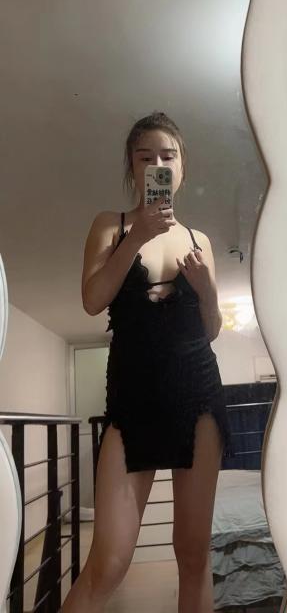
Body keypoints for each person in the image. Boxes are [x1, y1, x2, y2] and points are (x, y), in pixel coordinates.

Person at [62, 112, 234, 613]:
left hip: (198, 395)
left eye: (168, 155)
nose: (158, 163)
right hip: (132, 401)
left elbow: (211, 329)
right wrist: (135, 238)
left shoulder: (200, 241)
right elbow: (93, 299)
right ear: (133, 169)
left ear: (182, 167)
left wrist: (207, 291)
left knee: (194, 555)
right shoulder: (110, 225)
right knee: (109, 562)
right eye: (146, 157)